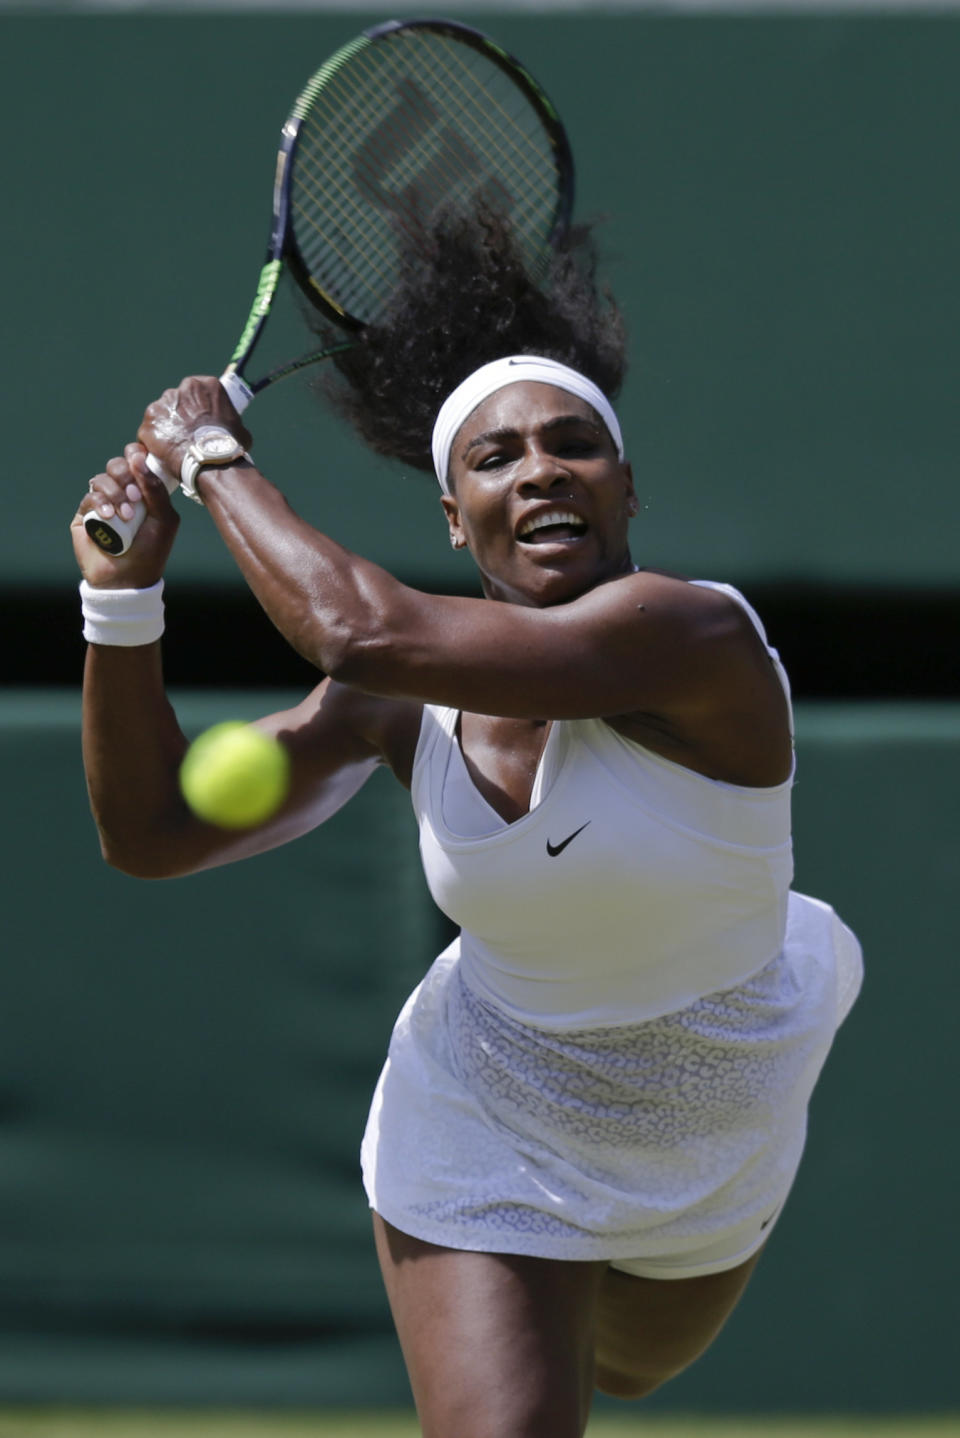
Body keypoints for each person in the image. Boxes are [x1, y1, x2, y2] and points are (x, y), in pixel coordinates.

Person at [72, 214, 862, 1438]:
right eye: (496, 457)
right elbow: (155, 832)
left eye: (573, 445)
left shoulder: (690, 636)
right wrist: (117, 609)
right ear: (453, 516)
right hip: (494, 1095)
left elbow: (360, 628)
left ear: (627, 486)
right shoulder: (396, 700)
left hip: (721, 1088)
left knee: (638, 1366)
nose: (540, 469)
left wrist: (211, 458)